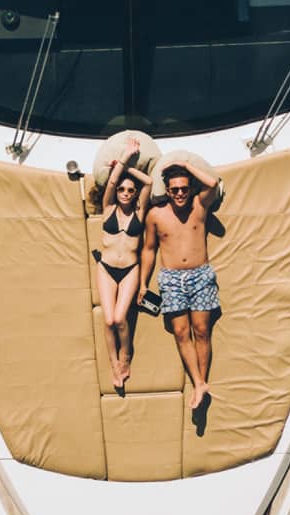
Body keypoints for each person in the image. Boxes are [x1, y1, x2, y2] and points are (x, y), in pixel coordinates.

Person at [140, 159, 221, 409]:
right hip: (171, 279)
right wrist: (143, 283)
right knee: (181, 332)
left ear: (190, 188)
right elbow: (149, 249)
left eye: (184, 188)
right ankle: (199, 383)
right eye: (174, 189)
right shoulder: (155, 215)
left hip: (201, 276)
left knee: (202, 331)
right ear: (166, 190)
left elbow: (213, 183)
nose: (179, 194)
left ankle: (200, 384)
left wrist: (185, 164)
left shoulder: (199, 205)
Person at [94, 137, 153, 389]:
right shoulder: (108, 208)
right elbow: (112, 181)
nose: (126, 193)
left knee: (120, 319)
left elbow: (149, 181)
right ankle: (114, 364)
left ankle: (126, 356)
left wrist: (126, 165)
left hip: (129, 270)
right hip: (106, 269)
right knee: (108, 321)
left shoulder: (140, 212)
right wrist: (123, 161)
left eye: (130, 190)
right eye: (122, 190)